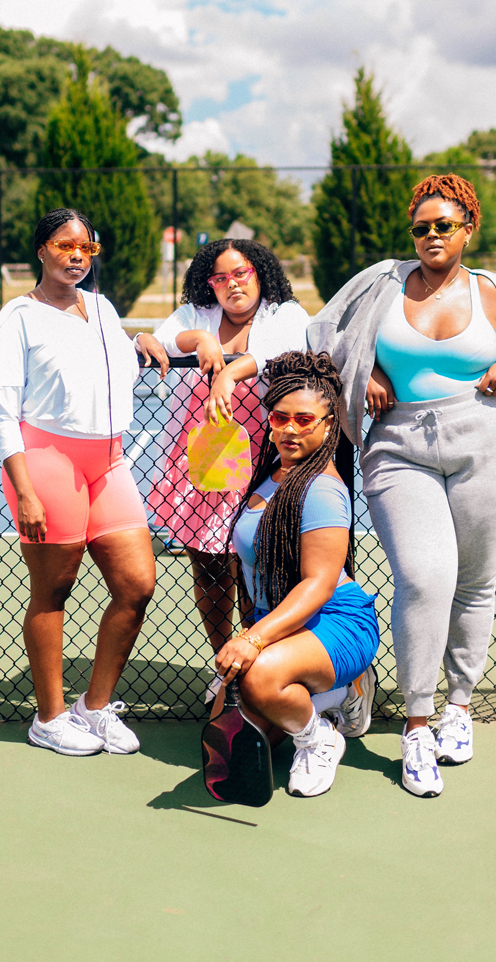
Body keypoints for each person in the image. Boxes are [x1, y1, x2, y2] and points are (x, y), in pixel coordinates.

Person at [308, 173, 496, 798]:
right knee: (425, 579)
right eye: (422, 227)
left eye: (444, 226)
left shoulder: (492, 293)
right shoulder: (382, 282)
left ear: (468, 230)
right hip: (399, 446)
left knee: (476, 582)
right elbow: (323, 332)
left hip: (486, 442)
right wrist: (368, 365)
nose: (431, 236)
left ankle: (461, 705)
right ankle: (418, 723)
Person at [0, 207, 169, 757]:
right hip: (47, 462)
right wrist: (25, 490)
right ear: (40, 250)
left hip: (108, 461)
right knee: (54, 591)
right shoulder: (17, 318)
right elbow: (1, 412)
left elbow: (111, 365)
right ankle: (49, 717)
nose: (76, 256)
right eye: (65, 246)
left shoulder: (104, 309)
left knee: (136, 584)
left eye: (86, 248)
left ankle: (93, 707)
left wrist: (141, 339)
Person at [215, 350, 380, 798]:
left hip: (335, 622)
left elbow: (318, 584)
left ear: (329, 423)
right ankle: (331, 697)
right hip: (286, 622)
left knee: (260, 680)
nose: (288, 429)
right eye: (279, 417)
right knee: (233, 733)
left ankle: (320, 735)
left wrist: (252, 639)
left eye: (304, 420)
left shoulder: (323, 489)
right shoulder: (271, 471)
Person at [146, 239, 309, 691]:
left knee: (258, 564)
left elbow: (286, 350)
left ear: (259, 274)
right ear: (209, 283)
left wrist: (230, 372)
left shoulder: (285, 313)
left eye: (241, 274)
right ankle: (225, 665)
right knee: (211, 569)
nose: (232, 284)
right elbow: (159, 339)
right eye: (221, 278)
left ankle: (254, 655)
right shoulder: (198, 316)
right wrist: (199, 339)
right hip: (205, 460)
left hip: (267, 456)